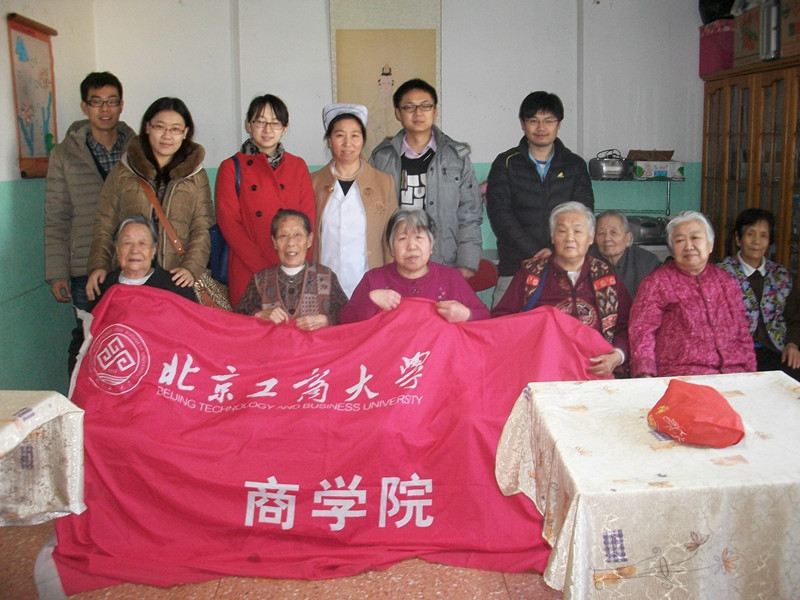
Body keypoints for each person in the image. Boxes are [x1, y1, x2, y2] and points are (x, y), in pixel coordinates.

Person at [44, 71, 134, 372]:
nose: (105, 109)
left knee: (134, 338)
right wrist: (57, 273)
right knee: (89, 339)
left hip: (133, 263)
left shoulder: (138, 149)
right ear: (85, 107)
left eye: (112, 101)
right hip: (84, 266)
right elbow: (56, 216)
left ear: (122, 105)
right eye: (96, 102)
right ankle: (81, 397)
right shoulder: (65, 155)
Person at [86, 97, 213, 302]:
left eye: (175, 129)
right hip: (131, 278)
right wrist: (99, 265)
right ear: (147, 127)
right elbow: (105, 224)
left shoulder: (195, 175)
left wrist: (191, 268)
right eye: (159, 127)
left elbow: (202, 228)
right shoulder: (123, 171)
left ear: (185, 132)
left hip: (175, 279)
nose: (167, 136)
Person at [492, 202, 630, 378]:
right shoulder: (531, 273)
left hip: (595, 371)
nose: (569, 238)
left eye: (577, 231)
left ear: (591, 238)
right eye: (562, 231)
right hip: (542, 371)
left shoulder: (606, 276)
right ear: (552, 237)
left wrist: (616, 356)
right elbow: (502, 319)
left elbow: (627, 325)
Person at [486, 91, 594, 307]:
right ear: (523, 124)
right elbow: (500, 214)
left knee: (560, 325)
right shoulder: (506, 163)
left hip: (564, 266)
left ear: (559, 124)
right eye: (533, 120)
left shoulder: (574, 165)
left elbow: (583, 213)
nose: (541, 127)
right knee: (505, 324)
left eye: (549, 121)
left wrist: (556, 252)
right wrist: (534, 251)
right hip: (516, 265)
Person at [369, 78, 482, 279]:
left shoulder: (456, 156)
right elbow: (371, 216)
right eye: (409, 107)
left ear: (435, 111)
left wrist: (466, 264)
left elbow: (470, 214)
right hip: (395, 264)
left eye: (425, 106)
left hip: (445, 262)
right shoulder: (382, 157)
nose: (418, 113)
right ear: (398, 113)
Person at [215, 94, 316, 306]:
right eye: (260, 121)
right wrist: (264, 269)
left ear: (284, 128)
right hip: (248, 269)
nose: (268, 129)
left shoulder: (297, 166)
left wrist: (297, 268)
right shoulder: (231, 167)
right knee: (251, 323)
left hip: (292, 268)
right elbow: (229, 224)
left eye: (275, 123)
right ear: (248, 124)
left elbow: (308, 222)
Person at [629, 210, 756, 377]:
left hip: (734, 374)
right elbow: (642, 330)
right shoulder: (656, 283)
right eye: (680, 240)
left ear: (710, 245)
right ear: (672, 249)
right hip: (682, 375)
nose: (689, 246)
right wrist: (645, 374)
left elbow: (743, 333)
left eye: (695, 238)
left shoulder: (726, 282)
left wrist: (752, 374)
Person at [339, 209, 490, 324]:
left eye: (419, 237)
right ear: (391, 249)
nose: (411, 246)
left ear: (431, 246)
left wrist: (467, 315)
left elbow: (486, 317)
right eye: (402, 238)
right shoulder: (374, 279)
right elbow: (344, 322)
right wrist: (370, 300)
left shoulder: (451, 278)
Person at [310, 103, 394, 297]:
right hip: (323, 286)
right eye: (340, 135)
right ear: (329, 141)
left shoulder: (384, 182)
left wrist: (390, 283)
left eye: (355, 135)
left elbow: (390, 240)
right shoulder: (312, 183)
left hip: (370, 286)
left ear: (363, 140)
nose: (347, 143)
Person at [717, 208, 800, 374]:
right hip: (733, 355)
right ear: (738, 239)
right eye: (750, 234)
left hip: (777, 351)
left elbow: (794, 318)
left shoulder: (781, 275)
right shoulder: (720, 275)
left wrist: (792, 344)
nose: (757, 241)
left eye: (763, 235)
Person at [235, 209, 348, 330]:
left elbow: (348, 316)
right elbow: (236, 320)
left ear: (309, 240)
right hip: (274, 343)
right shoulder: (260, 280)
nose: (291, 243)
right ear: (274, 242)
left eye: (298, 235)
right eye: (283, 236)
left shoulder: (326, 277)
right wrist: (258, 315)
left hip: (316, 343)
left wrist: (327, 320)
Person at [87, 214, 196, 312]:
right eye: (127, 243)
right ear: (117, 249)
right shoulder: (101, 288)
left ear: (153, 250)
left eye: (142, 243)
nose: (134, 250)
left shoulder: (177, 288)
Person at [589, 210, 661, 298]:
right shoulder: (586, 261)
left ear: (628, 238)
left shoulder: (648, 263)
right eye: (601, 233)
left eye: (614, 232)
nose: (607, 238)